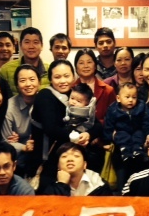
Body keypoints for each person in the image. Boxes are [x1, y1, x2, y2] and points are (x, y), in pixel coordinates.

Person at [31, 60, 101, 192]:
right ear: (50, 79)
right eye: (57, 77)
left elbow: (96, 124)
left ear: (73, 77)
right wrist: (75, 137)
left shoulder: (75, 95)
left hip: (72, 158)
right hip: (49, 160)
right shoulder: (45, 96)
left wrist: (88, 135)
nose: (63, 81)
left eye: (66, 76)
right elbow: (50, 129)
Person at [103, 82, 149, 179]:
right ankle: (125, 152)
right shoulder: (113, 109)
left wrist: (148, 134)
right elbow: (108, 125)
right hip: (121, 131)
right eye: (127, 97)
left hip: (137, 130)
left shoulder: (141, 106)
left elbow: (147, 122)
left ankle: (138, 152)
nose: (131, 100)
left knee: (138, 135)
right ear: (118, 98)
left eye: (134, 97)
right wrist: (109, 137)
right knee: (121, 135)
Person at [1, 64, 39, 176]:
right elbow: (5, 142)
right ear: (17, 85)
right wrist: (23, 147)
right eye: (22, 80)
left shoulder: (44, 101)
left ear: (39, 82)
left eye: (32, 79)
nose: (28, 84)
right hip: (18, 163)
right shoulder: (9, 107)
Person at [42, 142, 111, 196]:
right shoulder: (51, 189)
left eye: (76, 156)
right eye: (64, 156)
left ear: (85, 165)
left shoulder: (99, 185)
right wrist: (61, 185)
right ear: (58, 166)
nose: (70, 159)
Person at [0, 27, 49, 94]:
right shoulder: (6, 70)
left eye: (35, 42)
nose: (31, 46)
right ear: (20, 45)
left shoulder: (50, 69)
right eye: (27, 42)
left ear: (42, 46)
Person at [73, 48, 116, 124]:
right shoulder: (70, 89)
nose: (86, 66)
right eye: (81, 63)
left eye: (89, 62)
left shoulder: (108, 91)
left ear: (95, 65)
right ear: (76, 67)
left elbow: (114, 118)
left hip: (102, 133)